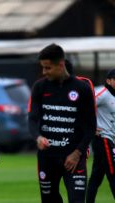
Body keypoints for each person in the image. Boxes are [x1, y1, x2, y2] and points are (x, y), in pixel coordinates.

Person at [28, 44, 96, 203]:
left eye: (48, 68)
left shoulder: (82, 89)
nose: (44, 72)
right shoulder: (39, 87)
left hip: (73, 158)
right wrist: (37, 137)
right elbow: (32, 119)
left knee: (77, 199)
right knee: (49, 199)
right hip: (47, 158)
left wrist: (77, 153)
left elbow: (90, 127)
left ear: (61, 64)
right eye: (42, 68)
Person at [86, 69, 115, 203]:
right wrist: (90, 128)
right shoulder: (102, 94)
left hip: (109, 140)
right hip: (103, 139)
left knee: (97, 176)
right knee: (113, 174)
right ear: (109, 81)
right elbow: (83, 107)